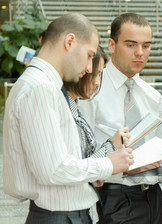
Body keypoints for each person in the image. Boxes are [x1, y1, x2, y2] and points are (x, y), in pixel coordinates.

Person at [2, 13, 134, 224]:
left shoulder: (44, 85)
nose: (90, 68)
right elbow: (54, 170)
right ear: (69, 41)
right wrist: (108, 164)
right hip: (59, 215)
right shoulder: (41, 87)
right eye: (90, 55)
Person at [79, 13, 162, 224]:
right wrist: (122, 169)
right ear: (111, 44)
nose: (140, 53)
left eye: (146, 45)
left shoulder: (153, 97)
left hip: (153, 198)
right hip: (111, 198)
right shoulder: (91, 91)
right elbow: (80, 159)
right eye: (131, 45)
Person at [64, 46, 132, 222]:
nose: (97, 82)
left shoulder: (75, 108)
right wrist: (111, 149)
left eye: (99, 75)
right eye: (94, 74)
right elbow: (76, 166)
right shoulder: (64, 111)